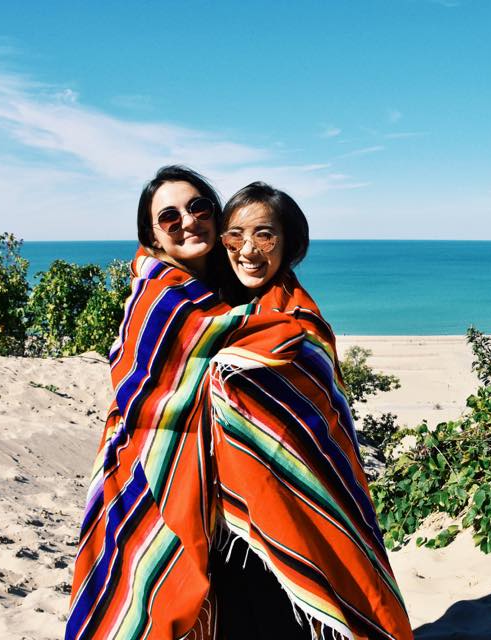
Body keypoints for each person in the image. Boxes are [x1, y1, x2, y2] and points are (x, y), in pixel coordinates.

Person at [66, 170, 412, 640]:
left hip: (272, 503)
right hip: (170, 487)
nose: (187, 221)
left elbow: (316, 414)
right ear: (153, 235)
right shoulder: (158, 300)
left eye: (199, 208)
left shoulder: (280, 309)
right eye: (169, 217)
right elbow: (143, 397)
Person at [206, 182, 413, 639]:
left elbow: (322, 433)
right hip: (222, 517)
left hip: (293, 511)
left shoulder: (302, 326)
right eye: (234, 235)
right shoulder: (208, 314)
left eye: (265, 234)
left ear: (290, 243)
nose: (248, 249)